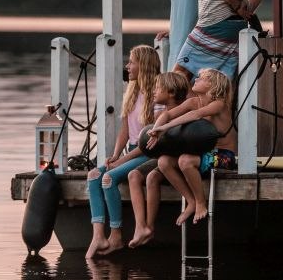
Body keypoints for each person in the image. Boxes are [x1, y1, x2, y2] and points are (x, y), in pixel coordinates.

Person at [85, 45, 160, 259]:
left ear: (143, 65)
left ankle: (116, 235)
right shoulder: (133, 92)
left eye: (131, 62)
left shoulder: (157, 94)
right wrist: (116, 155)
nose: (127, 66)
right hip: (131, 152)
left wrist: (121, 162)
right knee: (93, 176)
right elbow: (125, 131)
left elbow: (147, 143)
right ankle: (98, 235)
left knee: (108, 179)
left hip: (147, 154)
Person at [147, 68, 237, 226]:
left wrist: (166, 128)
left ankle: (200, 202)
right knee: (164, 162)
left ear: (212, 85)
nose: (196, 79)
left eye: (201, 79)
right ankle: (191, 201)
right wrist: (156, 130)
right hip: (203, 154)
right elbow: (166, 115)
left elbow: (196, 115)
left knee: (185, 161)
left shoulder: (219, 104)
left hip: (224, 156)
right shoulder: (193, 102)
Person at [126, 71, 190, 248]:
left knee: (152, 177)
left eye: (157, 88)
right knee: (133, 175)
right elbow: (149, 144)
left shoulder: (184, 111)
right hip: (163, 157)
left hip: (175, 159)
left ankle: (150, 227)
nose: (153, 91)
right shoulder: (162, 114)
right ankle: (142, 227)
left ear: (170, 92)